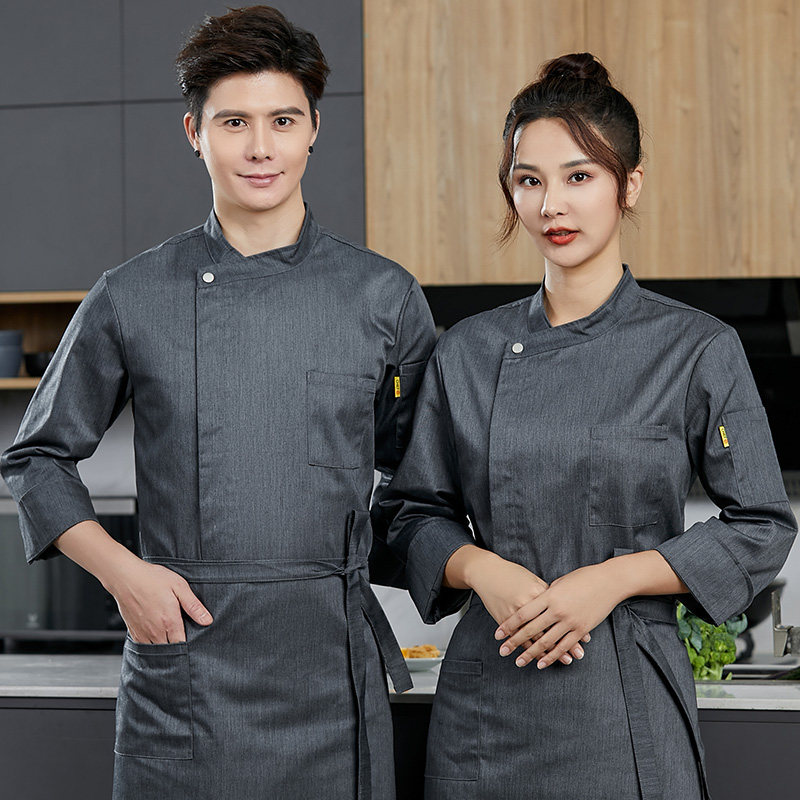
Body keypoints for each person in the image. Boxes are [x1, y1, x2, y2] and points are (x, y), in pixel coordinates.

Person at [0, 6, 434, 799]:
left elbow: (420, 488)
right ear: (194, 132)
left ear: (314, 129)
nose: (261, 148)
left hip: (329, 671)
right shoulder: (132, 295)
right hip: (187, 670)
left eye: (283, 120)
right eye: (235, 122)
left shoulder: (385, 297)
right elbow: (36, 460)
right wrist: (125, 576)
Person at [382, 53, 797, 799]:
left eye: (579, 176)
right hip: (487, 702)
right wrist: (481, 569)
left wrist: (611, 580)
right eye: (529, 180)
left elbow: (761, 525)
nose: (552, 205)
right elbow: (411, 514)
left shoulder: (696, 348)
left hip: (626, 694)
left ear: (629, 185)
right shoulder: (467, 352)